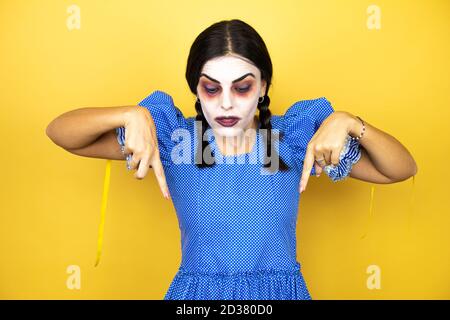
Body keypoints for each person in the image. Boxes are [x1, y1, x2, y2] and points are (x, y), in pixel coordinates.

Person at [46, 19, 417, 300]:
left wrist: (349, 122)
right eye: (211, 87)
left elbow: (400, 169)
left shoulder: (290, 142)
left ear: (264, 87)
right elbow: (61, 133)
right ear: (196, 87)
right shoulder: (179, 143)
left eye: (242, 87)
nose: (226, 102)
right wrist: (130, 115)